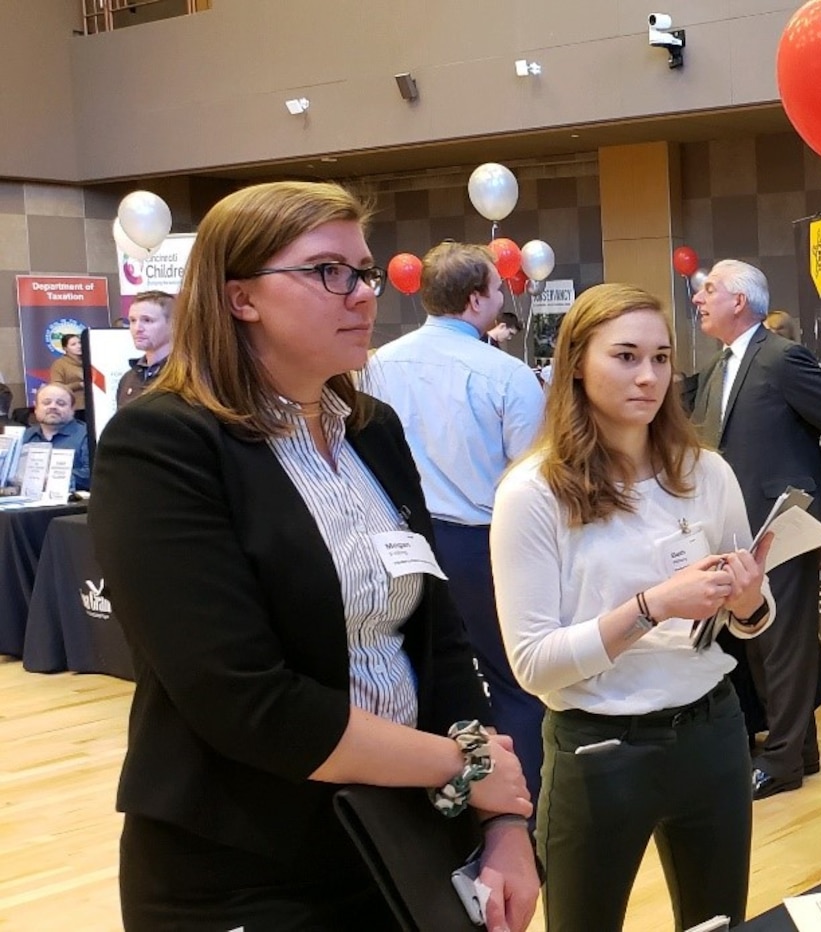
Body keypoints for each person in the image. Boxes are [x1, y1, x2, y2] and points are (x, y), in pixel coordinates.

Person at [89, 181, 538, 931]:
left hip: (403, 837)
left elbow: (440, 637)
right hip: (246, 861)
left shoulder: (372, 430)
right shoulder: (163, 444)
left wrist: (502, 828)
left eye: (362, 272)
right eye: (327, 271)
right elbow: (245, 701)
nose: (362, 295)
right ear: (240, 298)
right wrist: (468, 767)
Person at [491, 283, 773, 931]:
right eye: (624, 356)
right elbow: (534, 665)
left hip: (713, 736)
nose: (648, 376)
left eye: (662, 358)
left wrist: (751, 601)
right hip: (601, 750)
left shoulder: (706, 473)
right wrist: (650, 606)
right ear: (576, 365)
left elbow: (750, 620)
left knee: (719, 923)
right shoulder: (533, 494)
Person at [362, 242, 549, 806]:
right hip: (478, 542)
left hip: (394, 539)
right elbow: (532, 473)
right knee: (512, 677)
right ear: (475, 300)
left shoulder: (375, 363)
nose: (503, 296)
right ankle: (525, 802)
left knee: (412, 673)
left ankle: (432, 798)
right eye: (498, 288)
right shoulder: (505, 374)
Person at [689, 259, 821, 799]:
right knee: (756, 642)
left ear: (740, 300)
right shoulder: (716, 368)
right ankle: (798, 748)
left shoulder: (782, 357)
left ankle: (782, 762)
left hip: (784, 523)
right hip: (735, 530)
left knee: (784, 643)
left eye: (709, 289)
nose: (698, 298)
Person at [19, 383, 90, 492]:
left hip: (74, 506)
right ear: (36, 408)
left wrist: (53, 479)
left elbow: (91, 474)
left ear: (72, 409)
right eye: (46, 403)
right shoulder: (24, 437)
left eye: (61, 403)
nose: (53, 407)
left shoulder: (87, 435)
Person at [117, 291, 174, 406]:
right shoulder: (128, 379)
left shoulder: (188, 378)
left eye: (147, 320)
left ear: (172, 325)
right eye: (132, 321)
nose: (137, 328)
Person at [50, 331, 88, 414]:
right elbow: (57, 388)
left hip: (93, 405)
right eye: (73, 344)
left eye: (80, 343)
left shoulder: (90, 361)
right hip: (74, 407)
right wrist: (79, 385)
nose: (79, 346)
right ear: (65, 348)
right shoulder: (59, 364)